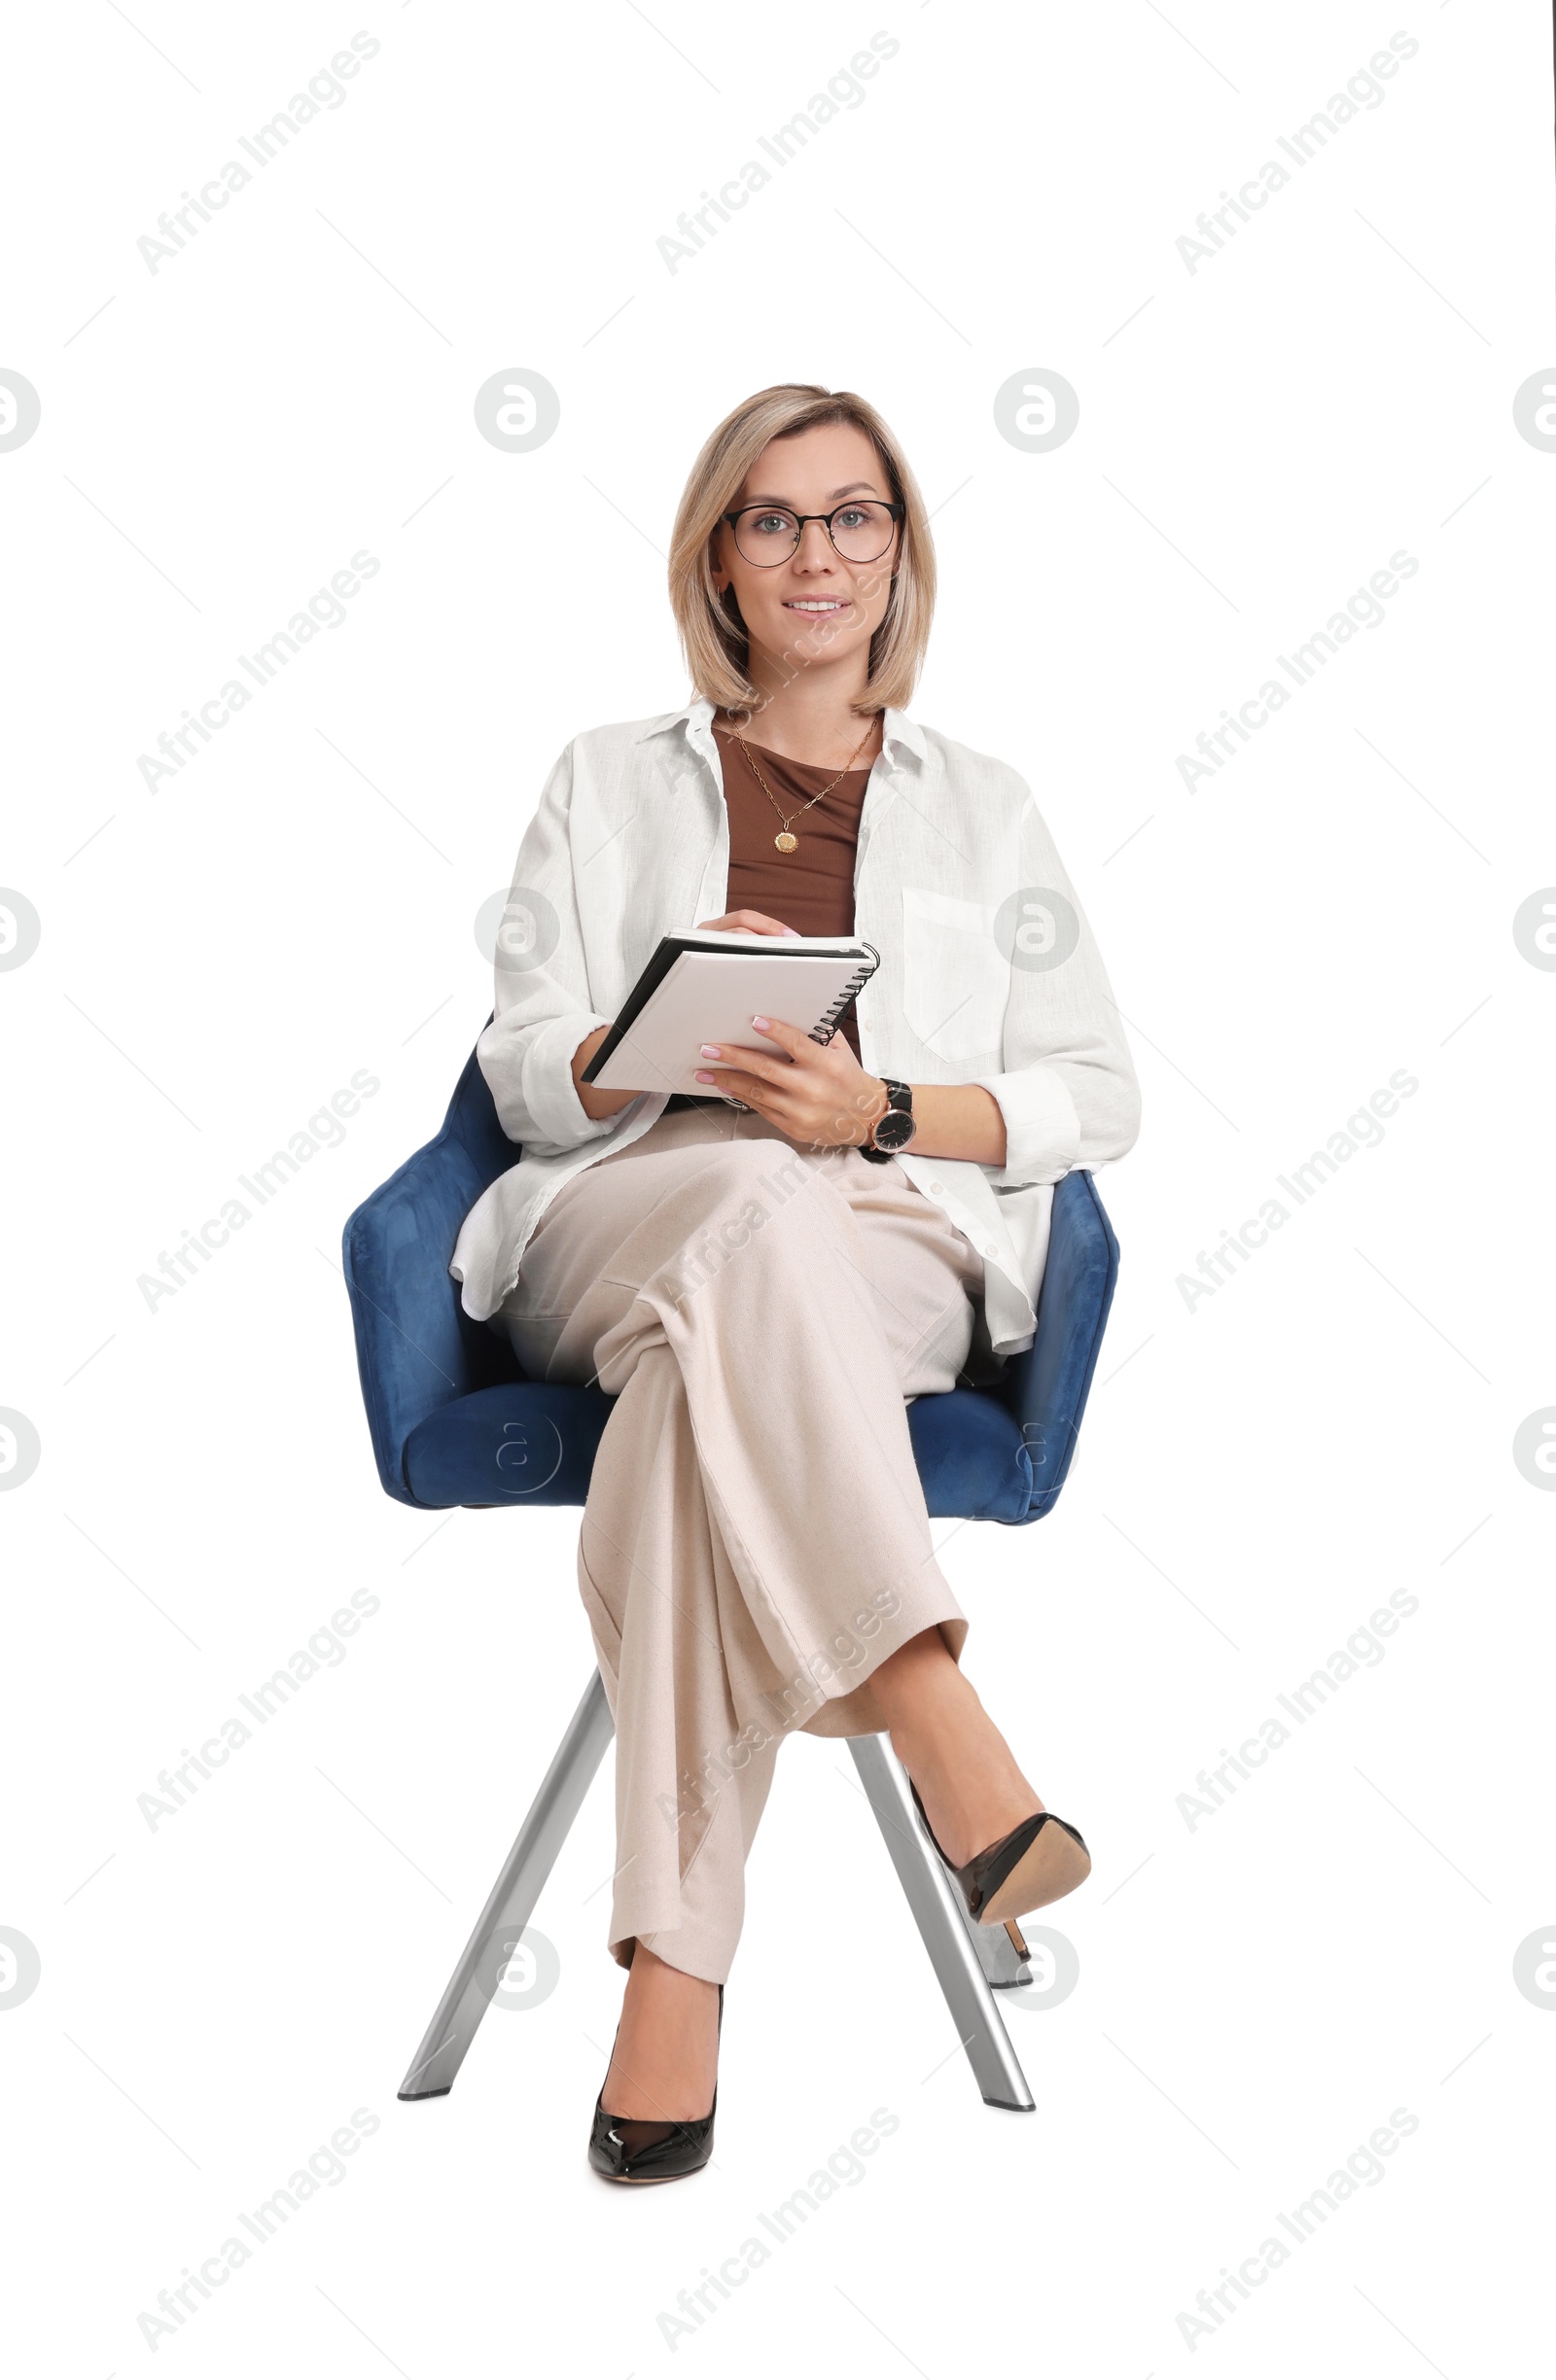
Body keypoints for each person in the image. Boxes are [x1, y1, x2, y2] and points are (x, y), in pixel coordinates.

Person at [449, 382, 1141, 2182]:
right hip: (627, 1213)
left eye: (851, 516)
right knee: (737, 1193)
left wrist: (882, 1102)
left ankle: (673, 1972)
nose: (815, 554)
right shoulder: (602, 779)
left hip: (883, 1236)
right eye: (772, 520)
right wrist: (651, 1038)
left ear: (899, 549)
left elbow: (1095, 1095)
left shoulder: (988, 809)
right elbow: (521, 1066)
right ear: (720, 560)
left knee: (706, 1382)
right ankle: (935, 1711)